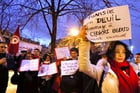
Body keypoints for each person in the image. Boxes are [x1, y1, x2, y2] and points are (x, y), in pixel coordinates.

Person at [78, 26, 139, 93]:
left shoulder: (134, 69)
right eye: (117, 52)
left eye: (123, 52)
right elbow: (84, 67)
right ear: (111, 53)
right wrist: (84, 42)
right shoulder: (103, 70)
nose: (120, 55)